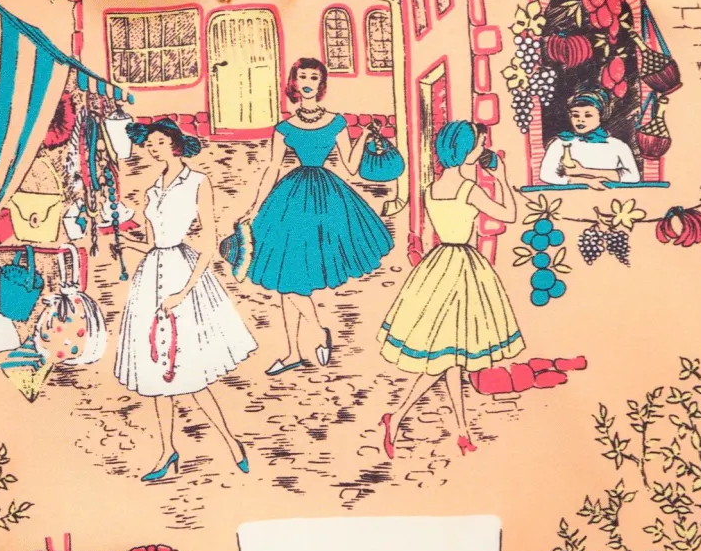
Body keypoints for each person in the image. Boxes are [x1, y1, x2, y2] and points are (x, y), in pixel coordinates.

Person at [115, 118, 256, 480]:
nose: (153, 148)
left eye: (160, 142)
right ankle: (167, 451)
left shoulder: (197, 182)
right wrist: (123, 240)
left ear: (175, 144)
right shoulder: (151, 190)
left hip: (182, 273)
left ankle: (232, 442)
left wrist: (183, 292)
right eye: (150, 144)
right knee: (156, 374)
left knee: (191, 374)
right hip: (151, 277)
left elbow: (208, 244)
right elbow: (152, 242)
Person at [239, 57, 393, 375]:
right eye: (302, 76)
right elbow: (272, 168)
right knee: (287, 277)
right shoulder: (284, 128)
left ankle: (312, 337)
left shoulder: (336, 122)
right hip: (290, 199)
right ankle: (295, 350)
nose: (307, 82)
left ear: (321, 84)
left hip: (326, 201)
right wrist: (255, 207)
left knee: (292, 280)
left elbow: (351, 167)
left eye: (313, 77)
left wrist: (364, 136)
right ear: (293, 83)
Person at [378, 121, 524, 456]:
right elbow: (509, 214)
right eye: (478, 144)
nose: (482, 149)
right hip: (462, 268)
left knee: (452, 358)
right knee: (448, 358)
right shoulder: (468, 189)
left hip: (439, 264)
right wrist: (502, 178)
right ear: (465, 151)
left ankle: (459, 430)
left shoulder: (432, 188)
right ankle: (399, 417)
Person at [539, 89, 641, 187]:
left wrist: (583, 171)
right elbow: (546, 175)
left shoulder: (617, 145)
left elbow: (633, 177)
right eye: (576, 115)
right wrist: (586, 181)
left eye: (588, 115)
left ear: (601, 116)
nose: (580, 120)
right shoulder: (560, 143)